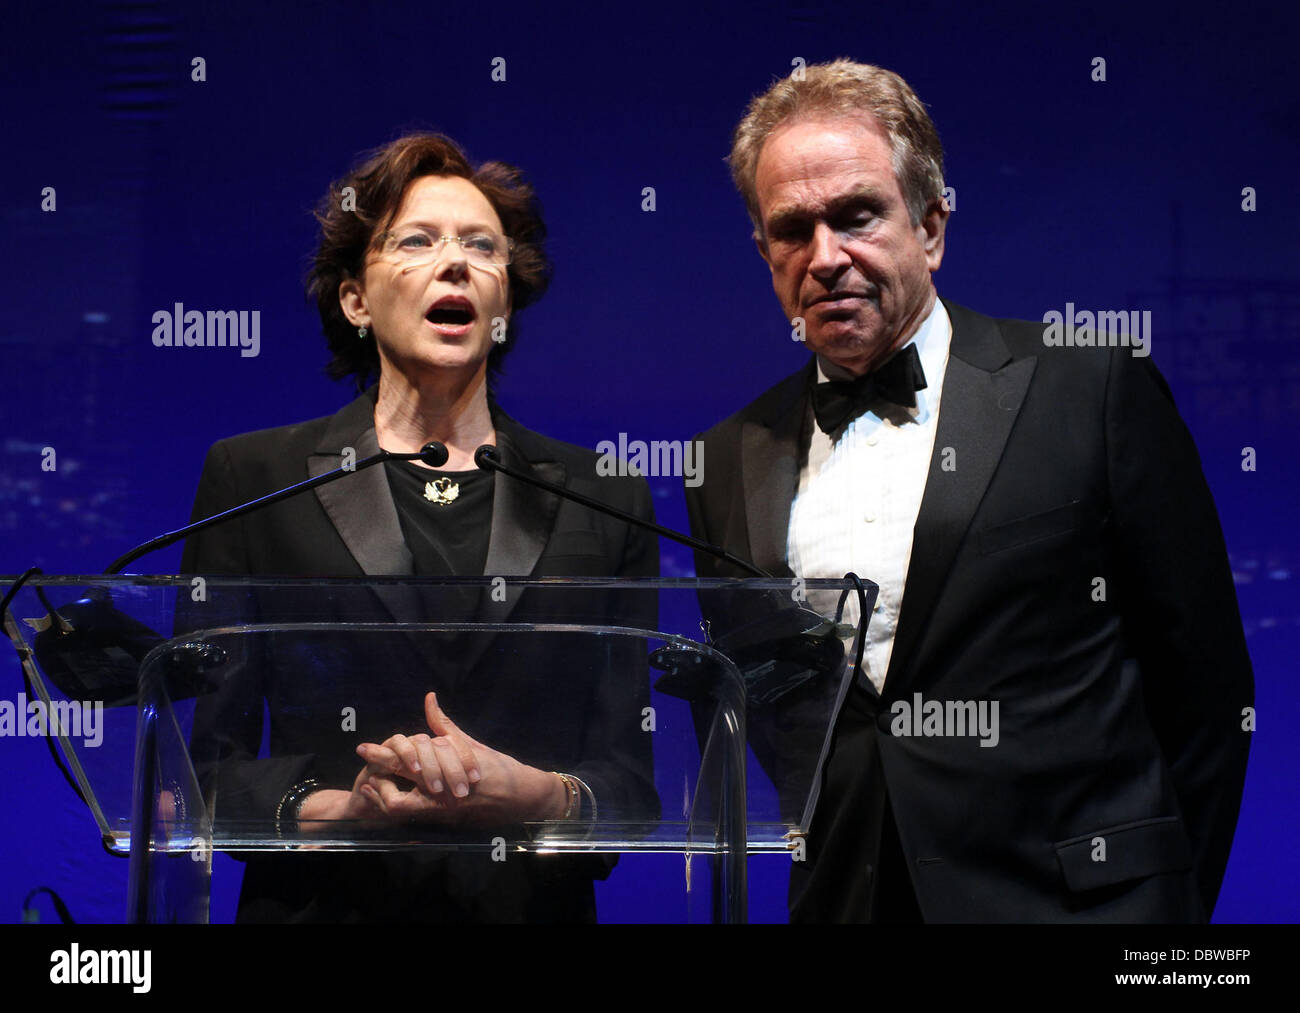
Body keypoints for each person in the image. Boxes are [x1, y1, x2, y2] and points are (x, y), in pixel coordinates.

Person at [685, 60, 1253, 922]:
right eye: (792, 228)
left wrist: (1163, 921)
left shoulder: (1090, 388)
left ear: (933, 224)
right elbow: (779, 725)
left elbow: (1207, 691)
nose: (825, 255)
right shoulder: (728, 456)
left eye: (857, 214)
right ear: (765, 252)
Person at [180, 133, 659, 922]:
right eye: (417, 240)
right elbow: (202, 769)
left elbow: (632, 783)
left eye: (482, 246)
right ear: (355, 300)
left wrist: (535, 793)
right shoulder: (253, 480)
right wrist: (344, 811)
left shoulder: (603, 495)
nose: (457, 262)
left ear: (504, 299)